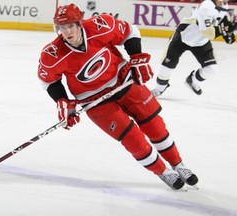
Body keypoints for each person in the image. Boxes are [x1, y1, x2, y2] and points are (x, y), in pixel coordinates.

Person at [38, 3, 198, 190]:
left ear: (80, 23)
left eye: (70, 26)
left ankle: (178, 164)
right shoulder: (52, 54)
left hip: (125, 82)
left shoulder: (100, 25)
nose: (67, 32)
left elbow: (130, 31)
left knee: (155, 126)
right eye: (62, 28)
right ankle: (163, 171)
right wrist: (62, 100)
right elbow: (49, 81)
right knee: (133, 138)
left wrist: (136, 57)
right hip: (95, 102)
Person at [151, 0, 236, 97]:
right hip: (183, 37)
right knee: (167, 66)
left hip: (201, 42)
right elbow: (207, 32)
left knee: (212, 69)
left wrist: (228, 33)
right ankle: (160, 88)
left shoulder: (224, 4)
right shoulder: (206, 6)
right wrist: (223, 30)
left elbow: (221, 21)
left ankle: (192, 80)